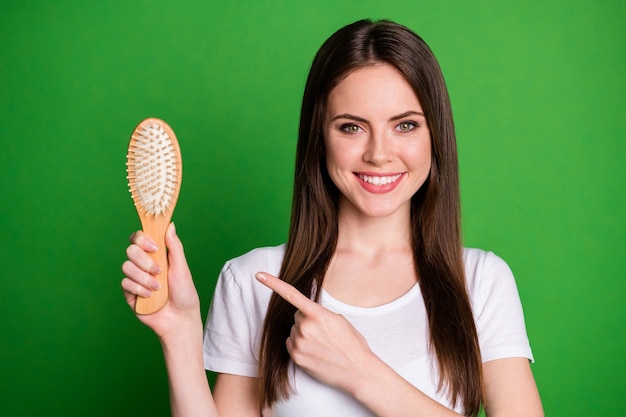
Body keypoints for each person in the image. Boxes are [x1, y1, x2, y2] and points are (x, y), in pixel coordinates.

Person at [121, 19, 544, 417]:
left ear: (436, 135)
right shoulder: (255, 280)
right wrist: (179, 336)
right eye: (351, 127)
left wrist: (361, 371)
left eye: (406, 125)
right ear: (319, 138)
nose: (379, 153)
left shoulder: (481, 282)